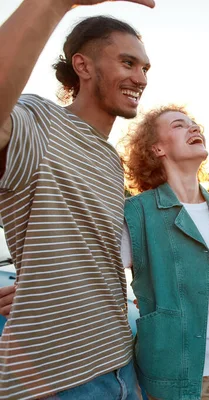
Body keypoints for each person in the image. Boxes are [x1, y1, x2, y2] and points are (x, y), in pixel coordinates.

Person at [0, 1, 154, 399]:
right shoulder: (41, 122)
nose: (140, 78)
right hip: (62, 381)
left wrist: (35, 283)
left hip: (121, 363)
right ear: (83, 67)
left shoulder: (110, 159)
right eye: (127, 62)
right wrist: (52, 4)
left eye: (144, 68)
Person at [121, 105, 209, 400]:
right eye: (179, 125)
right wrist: (34, 288)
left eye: (194, 125)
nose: (194, 129)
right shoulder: (137, 213)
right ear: (157, 149)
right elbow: (92, 273)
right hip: (175, 374)